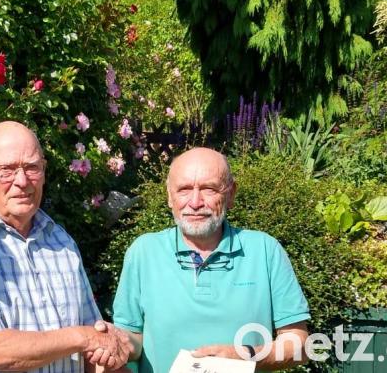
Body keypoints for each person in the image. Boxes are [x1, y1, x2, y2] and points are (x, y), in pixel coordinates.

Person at [0, 121, 132, 373]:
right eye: (6, 169)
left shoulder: (61, 242)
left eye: (32, 167)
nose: (22, 181)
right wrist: (84, 337)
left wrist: (106, 349)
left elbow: (93, 352)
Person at [112, 147, 310, 372]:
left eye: (209, 189)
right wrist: (113, 344)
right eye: (184, 190)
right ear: (169, 196)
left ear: (231, 193)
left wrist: (246, 356)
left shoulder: (265, 250)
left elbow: (298, 343)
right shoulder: (143, 252)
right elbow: (132, 338)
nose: (195, 202)